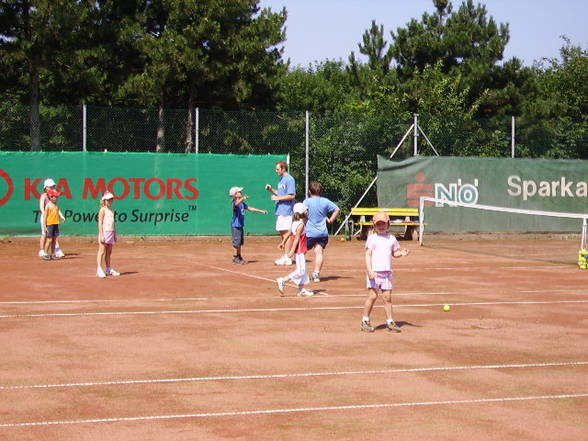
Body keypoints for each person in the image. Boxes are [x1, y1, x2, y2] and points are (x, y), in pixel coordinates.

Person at [361, 211, 409, 333]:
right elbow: (368, 255)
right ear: (374, 225)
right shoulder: (372, 238)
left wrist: (401, 253)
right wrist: (370, 270)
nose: (381, 226)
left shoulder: (392, 239)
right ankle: (365, 320)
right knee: (372, 296)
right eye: (378, 224)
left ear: (388, 224)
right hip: (374, 272)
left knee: (387, 297)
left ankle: (390, 321)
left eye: (383, 224)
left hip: (387, 273)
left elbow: (394, 253)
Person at [302, 181, 340, 282]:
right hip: (322, 233)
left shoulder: (307, 202)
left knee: (301, 252)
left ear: (310, 192)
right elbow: (337, 209)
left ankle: (301, 273)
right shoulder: (325, 201)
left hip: (310, 233)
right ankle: (316, 274)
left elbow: (302, 214)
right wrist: (331, 220)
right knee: (319, 252)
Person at [276, 202, 314, 297]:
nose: (307, 211)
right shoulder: (300, 224)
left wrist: (283, 242)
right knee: (301, 270)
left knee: (304, 270)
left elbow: (289, 233)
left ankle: (301, 290)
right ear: (302, 212)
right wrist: (292, 251)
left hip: (300, 250)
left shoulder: (295, 222)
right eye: (306, 210)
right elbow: (296, 238)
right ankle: (283, 280)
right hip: (299, 250)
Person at [265, 160, 296, 265]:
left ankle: (287, 257)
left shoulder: (289, 179)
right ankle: (286, 255)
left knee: (286, 233)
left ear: (283, 169)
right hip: (280, 210)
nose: (276, 171)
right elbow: (281, 193)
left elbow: (291, 195)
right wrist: (271, 190)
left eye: (278, 169)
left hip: (287, 210)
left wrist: (277, 198)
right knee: (282, 233)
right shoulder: (281, 180)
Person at [229, 186, 268, 264]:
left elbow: (250, 208)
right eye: (239, 192)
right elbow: (236, 204)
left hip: (240, 225)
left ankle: (239, 256)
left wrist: (261, 211)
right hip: (235, 226)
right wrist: (242, 198)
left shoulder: (242, 204)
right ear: (235, 194)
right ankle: (235, 257)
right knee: (236, 243)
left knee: (240, 242)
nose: (241, 193)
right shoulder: (234, 203)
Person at [38, 178, 65, 259]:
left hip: (53, 219)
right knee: (45, 235)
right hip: (46, 217)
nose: (52, 188)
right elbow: (41, 207)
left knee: (53, 237)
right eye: (50, 186)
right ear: (46, 187)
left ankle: (55, 252)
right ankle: (43, 251)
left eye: (53, 186)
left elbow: (57, 209)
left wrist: (61, 216)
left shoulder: (54, 196)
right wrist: (45, 215)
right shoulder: (43, 196)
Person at [96, 192, 120, 278]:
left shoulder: (112, 211)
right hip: (104, 232)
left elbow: (113, 223)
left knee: (109, 252)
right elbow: (99, 222)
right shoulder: (102, 209)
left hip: (111, 232)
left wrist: (115, 234)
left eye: (111, 199)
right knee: (101, 251)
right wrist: (101, 234)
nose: (110, 201)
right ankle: (99, 269)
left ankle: (108, 269)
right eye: (108, 199)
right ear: (104, 200)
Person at [43, 188, 66, 260]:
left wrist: (62, 217)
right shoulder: (48, 206)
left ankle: (53, 254)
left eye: (57, 197)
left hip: (56, 224)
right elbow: (45, 216)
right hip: (49, 224)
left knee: (54, 240)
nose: (56, 198)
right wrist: (44, 226)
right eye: (55, 197)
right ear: (51, 197)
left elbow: (58, 212)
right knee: (49, 240)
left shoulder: (56, 205)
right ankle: (45, 254)